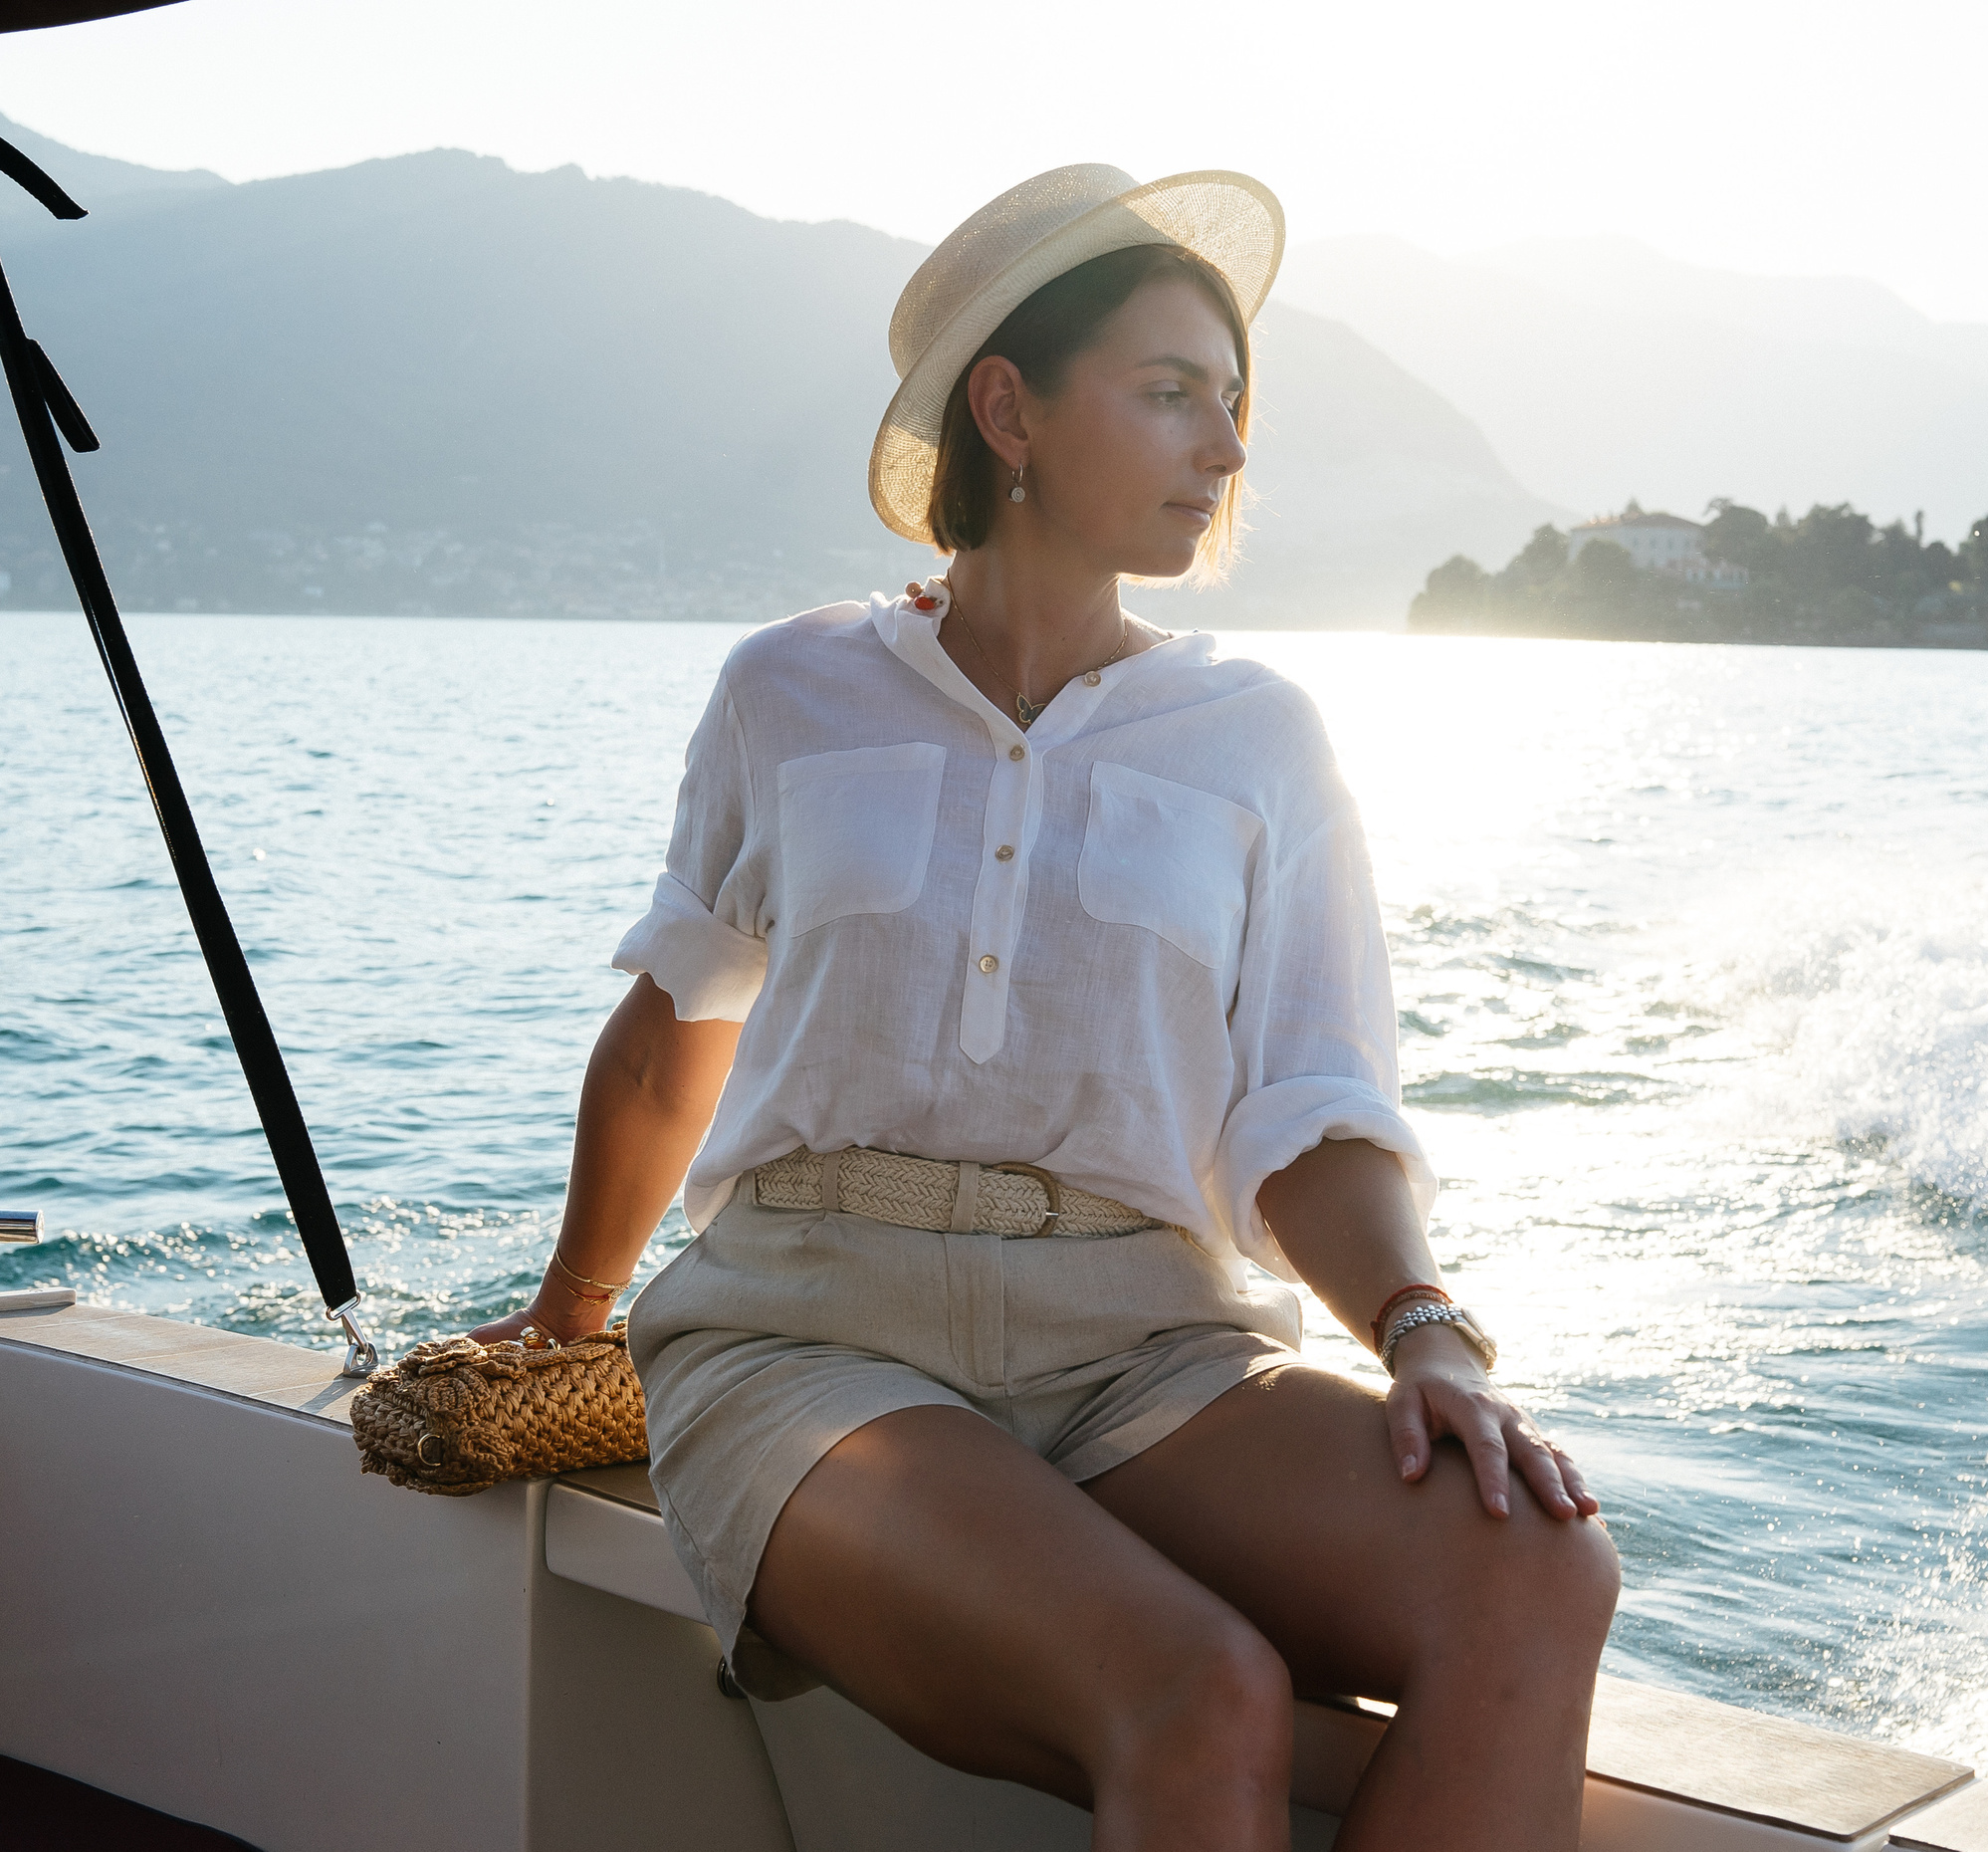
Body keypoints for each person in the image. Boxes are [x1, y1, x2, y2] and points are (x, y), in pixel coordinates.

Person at [473, 163, 1618, 1850]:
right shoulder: (789, 689)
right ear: (1006, 410)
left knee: (1538, 1570)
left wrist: (1422, 1330)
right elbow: (675, 1033)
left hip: (1143, 1349)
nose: (1226, 449)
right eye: (1170, 394)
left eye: (1233, 402)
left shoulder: (1258, 737)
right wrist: (574, 1308)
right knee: (1198, 1690)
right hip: (811, 1335)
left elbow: (1311, 1107)